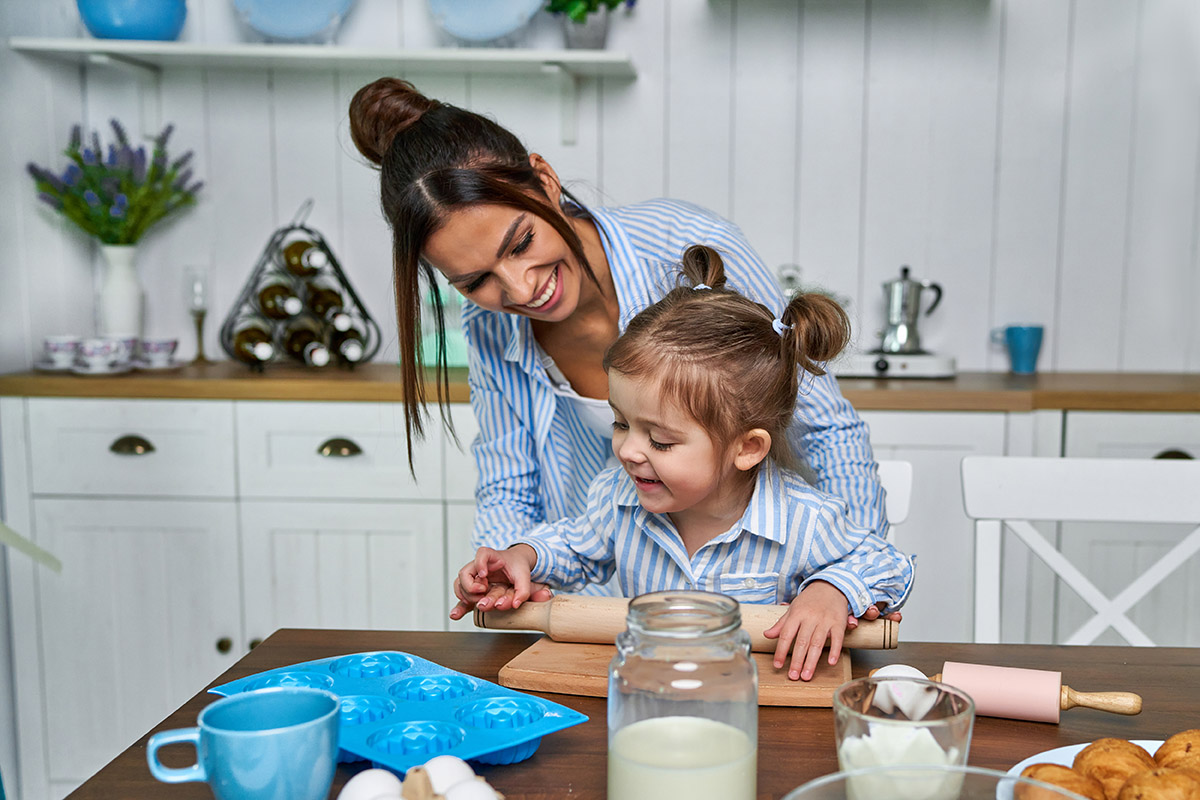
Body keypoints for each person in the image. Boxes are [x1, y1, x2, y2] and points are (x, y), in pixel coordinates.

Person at [347, 77, 889, 593]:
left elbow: (825, 427)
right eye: (475, 280)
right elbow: (509, 484)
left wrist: (845, 581)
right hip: (603, 601)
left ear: (545, 181)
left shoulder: (685, 245)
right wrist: (506, 570)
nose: (519, 288)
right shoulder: (488, 325)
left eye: (520, 243)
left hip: (769, 596)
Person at [449, 245, 914, 682]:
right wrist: (522, 558)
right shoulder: (618, 498)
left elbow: (889, 564)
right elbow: (572, 546)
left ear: (747, 448)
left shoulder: (805, 520)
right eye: (620, 423)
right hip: (651, 690)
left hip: (756, 706)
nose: (630, 451)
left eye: (661, 440)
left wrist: (831, 591)